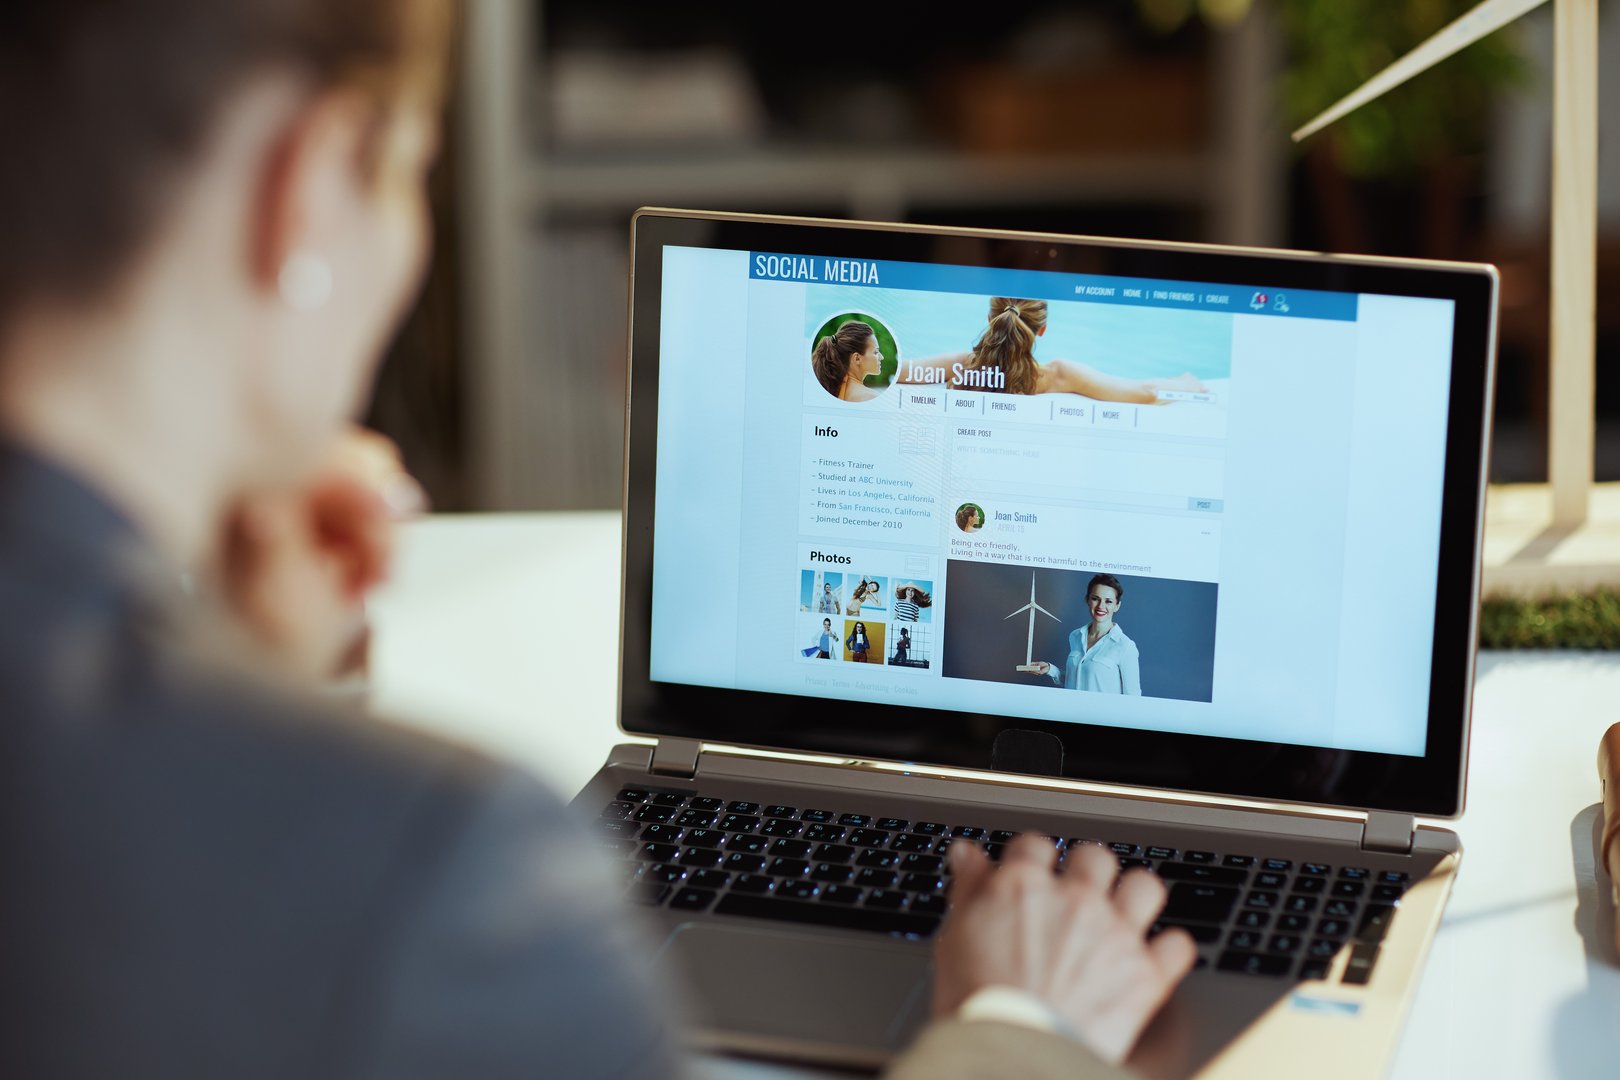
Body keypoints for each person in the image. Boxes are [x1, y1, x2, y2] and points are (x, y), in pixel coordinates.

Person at [0, 4, 1192, 1078]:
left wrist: (243, 686)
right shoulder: (443, 875)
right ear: (305, 189)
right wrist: (1021, 1030)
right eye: (410, 172)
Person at [899, 298, 1205, 402]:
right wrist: (1185, 384)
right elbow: (1143, 393)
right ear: (1042, 330)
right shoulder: (1057, 375)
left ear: (990, 320)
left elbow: (898, 370)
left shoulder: (961, 365)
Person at [1032, 573, 1143, 695]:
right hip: (1070, 711)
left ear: (1117, 606)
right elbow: (1076, 680)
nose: (1101, 606)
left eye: (1108, 601)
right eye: (1095, 599)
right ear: (1087, 600)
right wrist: (1050, 669)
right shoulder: (1075, 636)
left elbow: (1133, 697)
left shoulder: (1125, 646)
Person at [811, 319, 884, 402]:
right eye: (876, 352)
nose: (881, 357)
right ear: (857, 358)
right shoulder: (871, 397)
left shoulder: (833, 390)